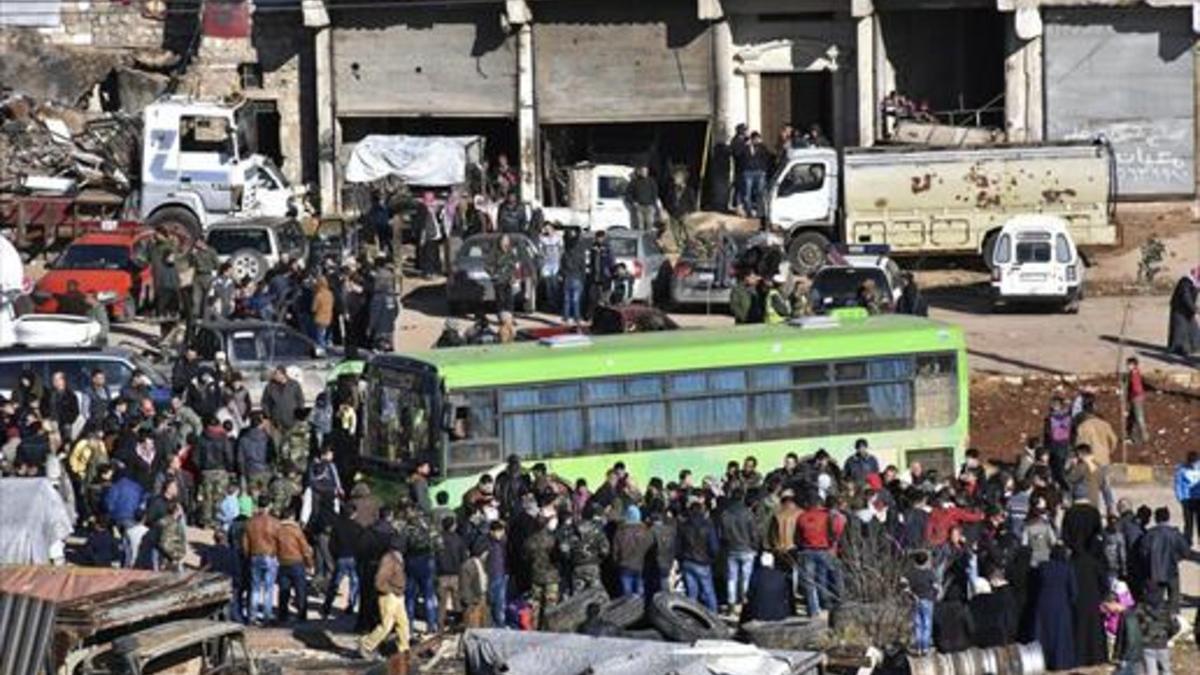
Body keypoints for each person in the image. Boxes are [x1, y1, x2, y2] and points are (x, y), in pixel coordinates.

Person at [358, 534, 410, 669]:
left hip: (398, 595)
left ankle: (404, 650)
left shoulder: (397, 557)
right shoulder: (389, 558)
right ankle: (366, 645)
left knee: (403, 623)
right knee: (386, 625)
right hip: (389, 596)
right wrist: (389, 591)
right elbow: (379, 581)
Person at [1137, 506, 1200, 615]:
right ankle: (1174, 622)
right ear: (1168, 518)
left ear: (1156, 519)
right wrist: (1175, 558)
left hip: (1153, 572)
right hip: (1171, 572)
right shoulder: (1174, 534)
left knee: (1154, 606)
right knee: (1174, 603)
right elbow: (1185, 551)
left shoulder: (1149, 535)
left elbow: (1142, 553)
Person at [1034, 545, 1077, 671]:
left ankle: (1042, 661)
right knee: (1060, 636)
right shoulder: (1067, 569)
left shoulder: (1043, 567)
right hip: (1061, 604)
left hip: (1043, 603)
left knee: (1043, 634)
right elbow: (1073, 591)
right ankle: (1060, 663)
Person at [243, 495, 281, 625]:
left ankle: (252, 617)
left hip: (255, 555)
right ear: (269, 506)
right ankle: (266, 617)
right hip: (270, 556)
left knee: (255, 588)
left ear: (258, 505)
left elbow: (245, 544)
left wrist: (248, 556)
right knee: (269, 589)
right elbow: (279, 541)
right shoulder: (275, 523)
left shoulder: (250, 522)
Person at [676, 500, 719, 611]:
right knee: (708, 592)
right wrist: (712, 559)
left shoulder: (684, 526)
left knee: (691, 594)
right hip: (703, 562)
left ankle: (692, 617)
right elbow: (714, 547)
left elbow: (678, 546)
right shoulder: (708, 526)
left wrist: (681, 559)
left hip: (688, 561)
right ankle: (714, 617)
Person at [276, 507, 314, 624]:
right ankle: (301, 614)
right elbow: (305, 549)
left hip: (282, 562)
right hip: (297, 562)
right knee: (300, 590)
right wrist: (309, 564)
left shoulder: (277, 530)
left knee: (283, 590)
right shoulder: (296, 530)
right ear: (292, 517)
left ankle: (282, 614)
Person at [612, 504, 653, 597]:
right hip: (641, 566)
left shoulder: (620, 531)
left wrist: (617, 563)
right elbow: (650, 549)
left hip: (625, 565)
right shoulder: (645, 531)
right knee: (640, 594)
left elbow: (615, 551)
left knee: (626, 594)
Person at [907, 550, 937, 656]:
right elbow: (936, 586)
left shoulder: (912, 574)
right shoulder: (929, 573)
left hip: (915, 600)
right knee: (927, 624)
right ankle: (925, 647)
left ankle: (918, 647)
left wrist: (911, 595)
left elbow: (905, 586)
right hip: (928, 600)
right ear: (926, 561)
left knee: (918, 624)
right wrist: (935, 595)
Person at [736, 132, 771, 217]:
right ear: (751, 139)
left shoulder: (762, 147)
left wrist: (764, 169)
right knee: (747, 193)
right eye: (755, 139)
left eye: (758, 138)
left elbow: (768, 156)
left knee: (760, 192)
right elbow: (738, 155)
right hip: (748, 172)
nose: (756, 140)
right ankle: (749, 211)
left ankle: (759, 211)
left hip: (760, 172)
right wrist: (744, 146)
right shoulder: (745, 148)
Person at [1166, 267, 1199, 357]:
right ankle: (1178, 349)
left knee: (1194, 328)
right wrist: (1195, 308)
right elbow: (1186, 297)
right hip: (1179, 308)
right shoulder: (1185, 281)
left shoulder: (1195, 282)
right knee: (1180, 329)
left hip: (1188, 309)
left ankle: (1195, 347)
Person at [560, 230, 586, 326]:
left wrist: (563, 274)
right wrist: (583, 279)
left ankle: (566, 318)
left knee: (567, 299)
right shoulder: (580, 254)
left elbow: (562, 266)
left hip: (569, 277)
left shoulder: (566, 253)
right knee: (575, 300)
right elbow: (582, 268)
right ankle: (576, 318)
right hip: (576, 277)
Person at [1175, 451, 1200, 546]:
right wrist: (1180, 498)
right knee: (1188, 522)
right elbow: (1178, 484)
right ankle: (1187, 541)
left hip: (1199, 498)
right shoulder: (1181, 470)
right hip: (1187, 499)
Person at [627, 166, 658, 231]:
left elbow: (655, 193)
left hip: (649, 206)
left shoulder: (651, 181)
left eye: (646, 171)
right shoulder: (634, 181)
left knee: (649, 224)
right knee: (640, 225)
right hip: (639, 207)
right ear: (640, 172)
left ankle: (648, 239)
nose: (644, 173)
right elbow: (628, 193)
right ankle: (641, 239)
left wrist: (653, 203)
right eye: (643, 171)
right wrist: (633, 202)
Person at [311, 276, 335, 349]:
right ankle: (326, 345)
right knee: (325, 334)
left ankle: (321, 349)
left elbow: (313, 308)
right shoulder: (330, 294)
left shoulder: (319, 295)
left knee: (319, 336)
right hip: (328, 317)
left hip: (320, 317)